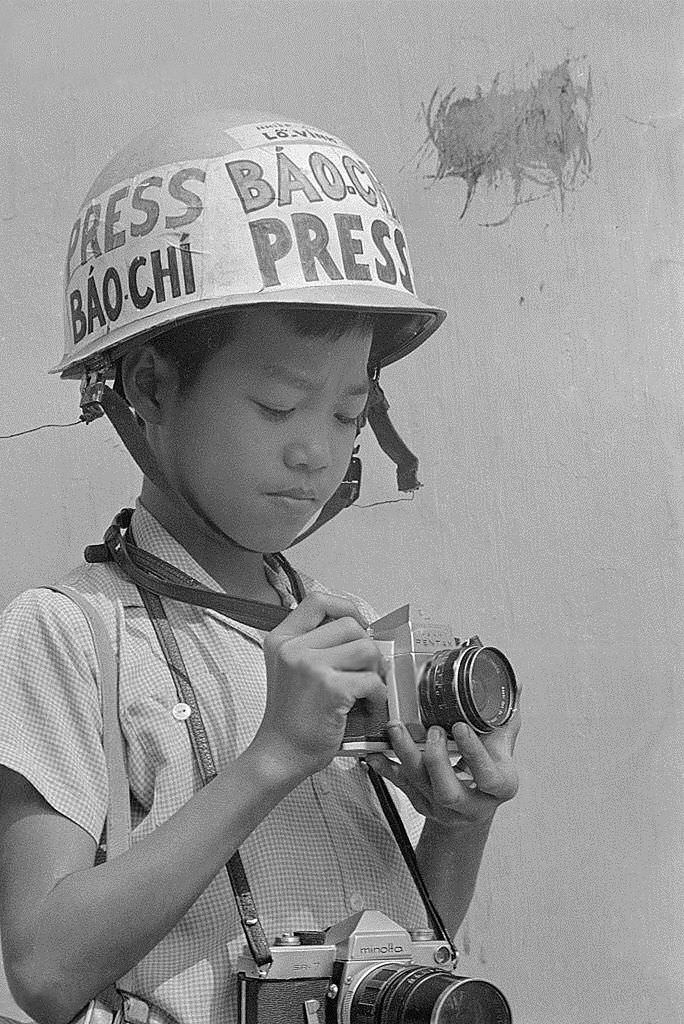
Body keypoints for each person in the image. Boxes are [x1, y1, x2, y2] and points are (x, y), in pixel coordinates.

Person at [0, 112, 520, 1024]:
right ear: (153, 387)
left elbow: (402, 940)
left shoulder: (349, 633)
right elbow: (44, 970)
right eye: (280, 405)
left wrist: (457, 823)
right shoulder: (70, 635)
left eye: (348, 411)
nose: (316, 453)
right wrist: (272, 759)